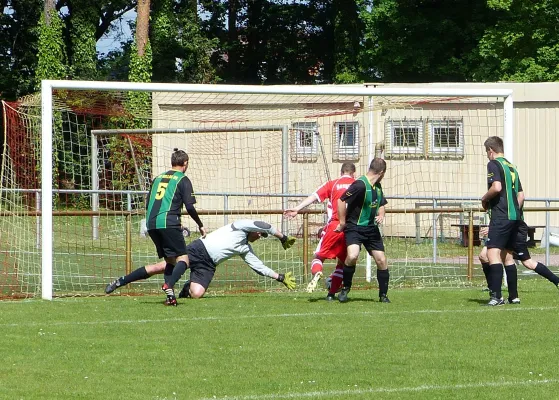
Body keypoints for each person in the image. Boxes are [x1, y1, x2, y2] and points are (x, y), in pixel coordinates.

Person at [104, 148, 206, 303]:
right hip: (168, 223)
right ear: (185, 163)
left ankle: (124, 282)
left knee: (170, 261)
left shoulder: (157, 178)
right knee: (184, 260)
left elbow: (148, 203)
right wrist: (200, 225)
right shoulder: (183, 179)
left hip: (151, 224)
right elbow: (190, 207)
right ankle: (169, 285)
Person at [480, 136, 557, 306]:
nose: (487, 156)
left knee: (491, 254)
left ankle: (496, 296)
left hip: (502, 217)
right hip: (516, 219)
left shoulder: (494, 164)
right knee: (508, 256)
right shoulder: (512, 167)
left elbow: (497, 187)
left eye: (487, 152)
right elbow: (521, 196)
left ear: (491, 151)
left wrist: (484, 199)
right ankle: (513, 296)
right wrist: (513, 212)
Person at [164, 219, 297, 303]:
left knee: (197, 294)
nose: (260, 236)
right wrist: (283, 237)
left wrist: (280, 277)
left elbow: (259, 267)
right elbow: (264, 225)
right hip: (199, 248)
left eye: (262, 236)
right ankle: (166, 288)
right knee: (161, 266)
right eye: (260, 234)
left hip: (208, 264)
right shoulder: (239, 226)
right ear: (255, 230)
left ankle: (187, 287)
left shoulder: (245, 248)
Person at [283, 162, 356, 298]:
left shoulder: (332, 184)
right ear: (353, 173)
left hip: (335, 226)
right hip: (351, 228)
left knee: (319, 256)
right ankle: (331, 294)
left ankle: (317, 272)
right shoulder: (359, 185)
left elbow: (314, 196)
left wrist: (297, 209)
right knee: (342, 262)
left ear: (341, 173)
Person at [335, 157, 389, 303]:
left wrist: (381, 214)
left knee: (381, 260)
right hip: (355, 228)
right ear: (382, 172)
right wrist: (342, 222)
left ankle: (383, 295)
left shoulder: (377, 186)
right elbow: (341, 200)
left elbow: (381, 202)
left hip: (371, 229)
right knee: (352, 256)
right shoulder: (359, 185)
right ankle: (345, 288)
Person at [479, 224, 559, 305]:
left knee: (526, 262)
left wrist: (493, 228)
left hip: (510, 229)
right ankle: (506, 296)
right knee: (491, 256)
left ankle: (498, 295)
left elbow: (507, 216)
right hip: (504, 229)